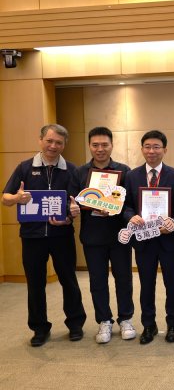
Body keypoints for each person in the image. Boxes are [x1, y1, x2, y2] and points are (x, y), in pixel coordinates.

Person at [2, 124, 86, 347]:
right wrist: (16, 198)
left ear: (64, 145)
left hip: (62, 235)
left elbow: (75, 203)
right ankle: (39, 328)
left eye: (58, 142)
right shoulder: (24, 167)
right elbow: (5, 197)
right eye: (49, 141)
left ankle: (75, 324)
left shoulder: (72, 170)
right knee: (35, 284)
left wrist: (70, 215)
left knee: (69, 280)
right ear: (40, 140)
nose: (53, 146)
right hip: (32, 237)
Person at [123, 130, 174, 344]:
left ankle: (173, 324)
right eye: (148, 147)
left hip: (169, 240)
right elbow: (126, 205)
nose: (152, 151)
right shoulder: (132, 176)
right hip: (143, 239)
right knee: (146, 284)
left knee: (173, 284)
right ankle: (149, 325)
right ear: (142, 149)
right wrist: (131, 217)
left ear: (165, 150)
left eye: (156, 147)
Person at [71, 127, 136, 344]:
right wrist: (74, 207)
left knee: (124, 279)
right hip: (92, 237)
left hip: (119, 236)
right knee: (97, 281)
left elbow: (130, 203)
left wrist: (116, 208)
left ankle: (125, 318)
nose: (100, 149)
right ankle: (104, 320)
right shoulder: (80, 172)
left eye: (104, 145)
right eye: (95, 145)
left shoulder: (124, 171)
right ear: (90, 146)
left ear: (112, 145)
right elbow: (73, 200)